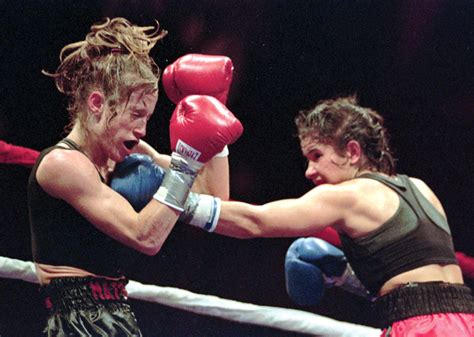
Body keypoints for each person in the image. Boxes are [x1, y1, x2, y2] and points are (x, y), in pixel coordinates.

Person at [184, 96, 473, 336]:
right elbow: (422, 282)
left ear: (352, 152)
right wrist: (344, 274)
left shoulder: (347, 195)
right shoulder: (420, 188)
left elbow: (255, 221)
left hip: (422, 329)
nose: (309, 172)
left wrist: (179, 202)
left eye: (316, 156)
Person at [28, 17, 243, 336]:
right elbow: (145, 237)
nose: (143, 129)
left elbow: (214, 201)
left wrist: (214, 120)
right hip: (76, 322)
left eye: (148, 117)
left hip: (117, 318)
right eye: (136, 114)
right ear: (97, 104)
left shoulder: (130, 158)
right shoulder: (62, 164)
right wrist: (184, 162)